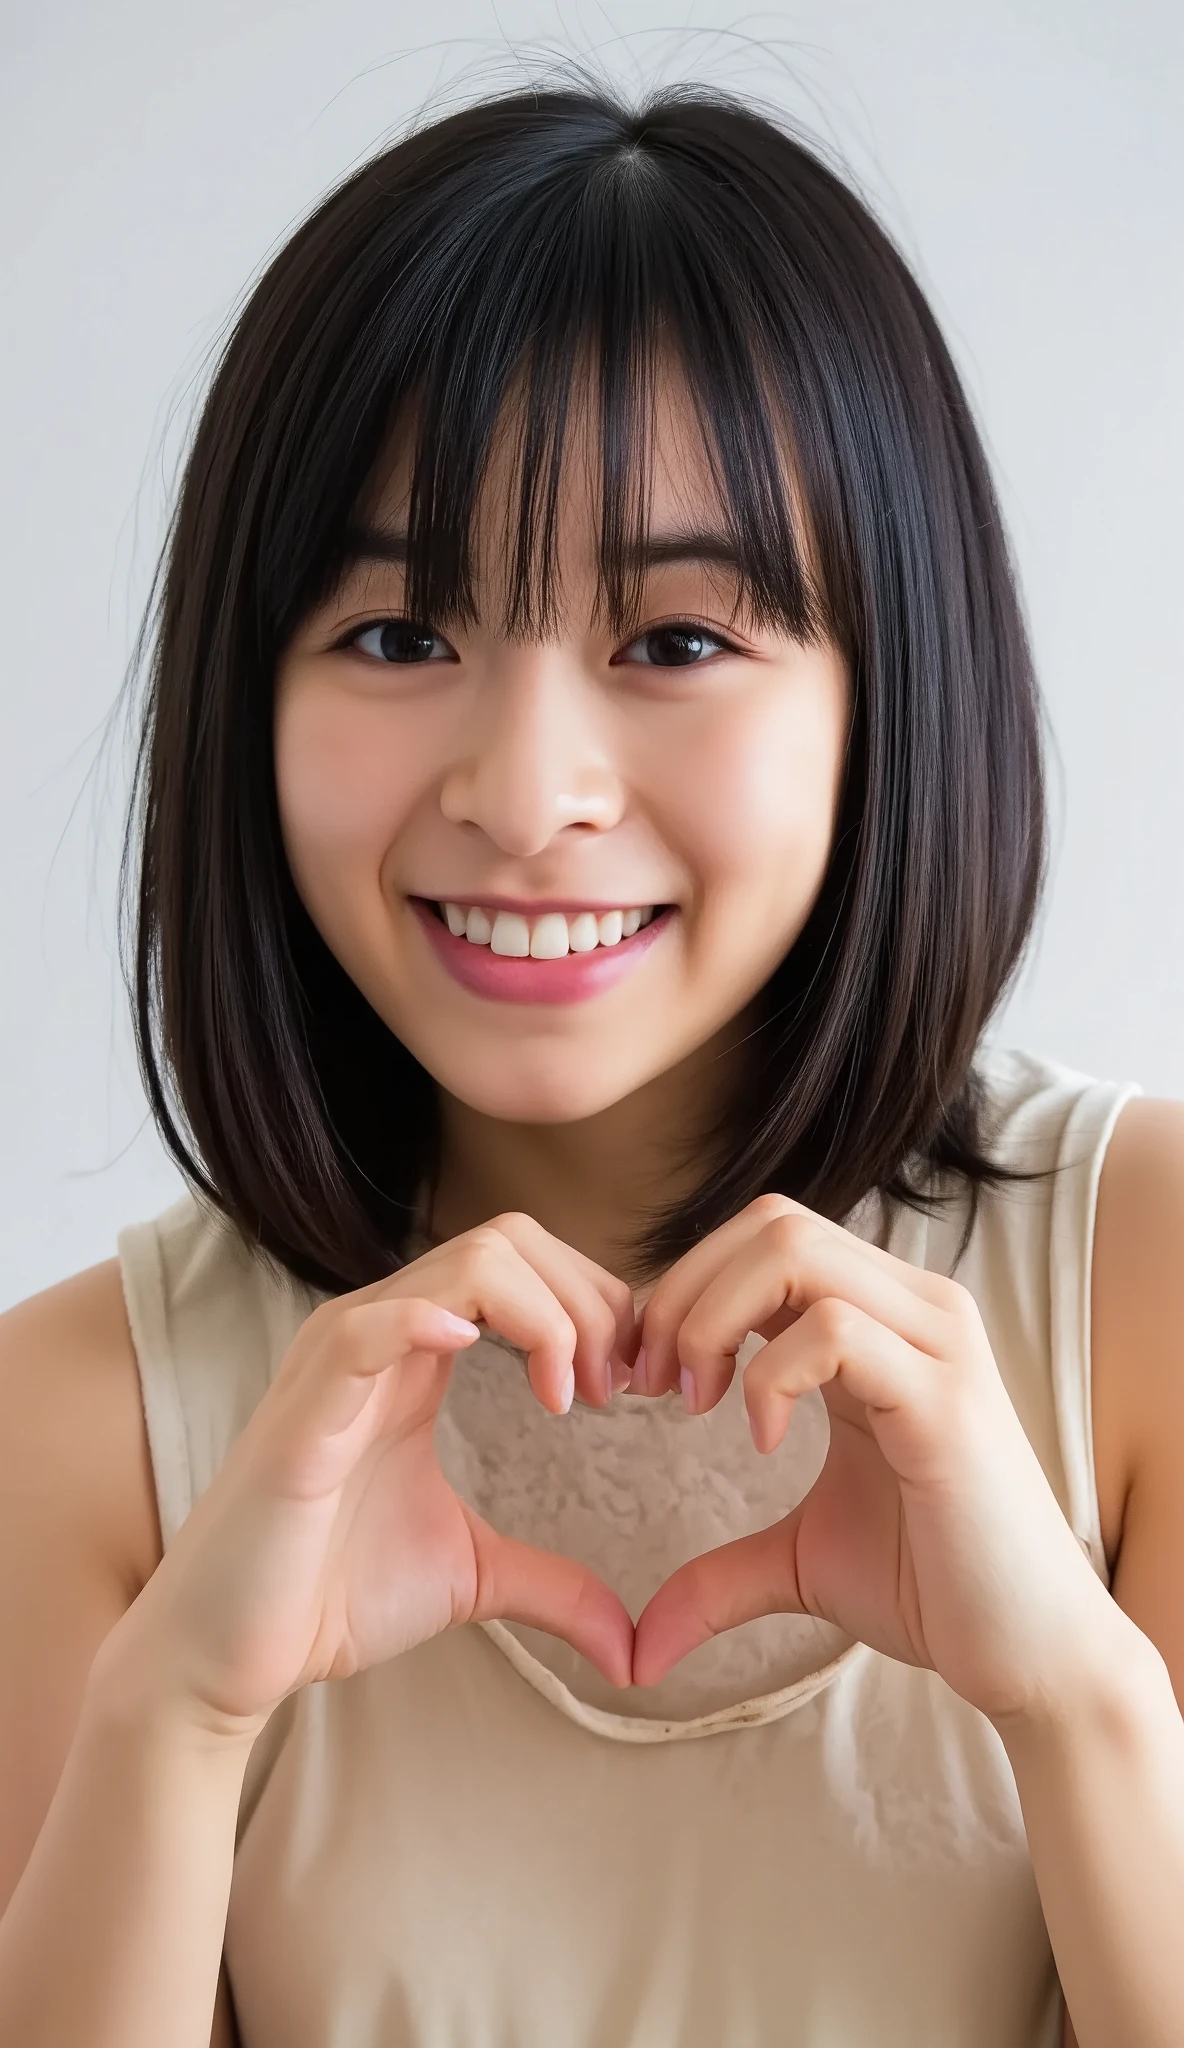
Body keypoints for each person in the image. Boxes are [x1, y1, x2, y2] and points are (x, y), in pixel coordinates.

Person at [0, 80, 1182, 2048]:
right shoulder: (74, 1422)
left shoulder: (1145, 1285)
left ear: (886, 696)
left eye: (676, 638)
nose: (524, 793)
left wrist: (1070, 1695)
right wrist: (175, 1714)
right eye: (393, 632)